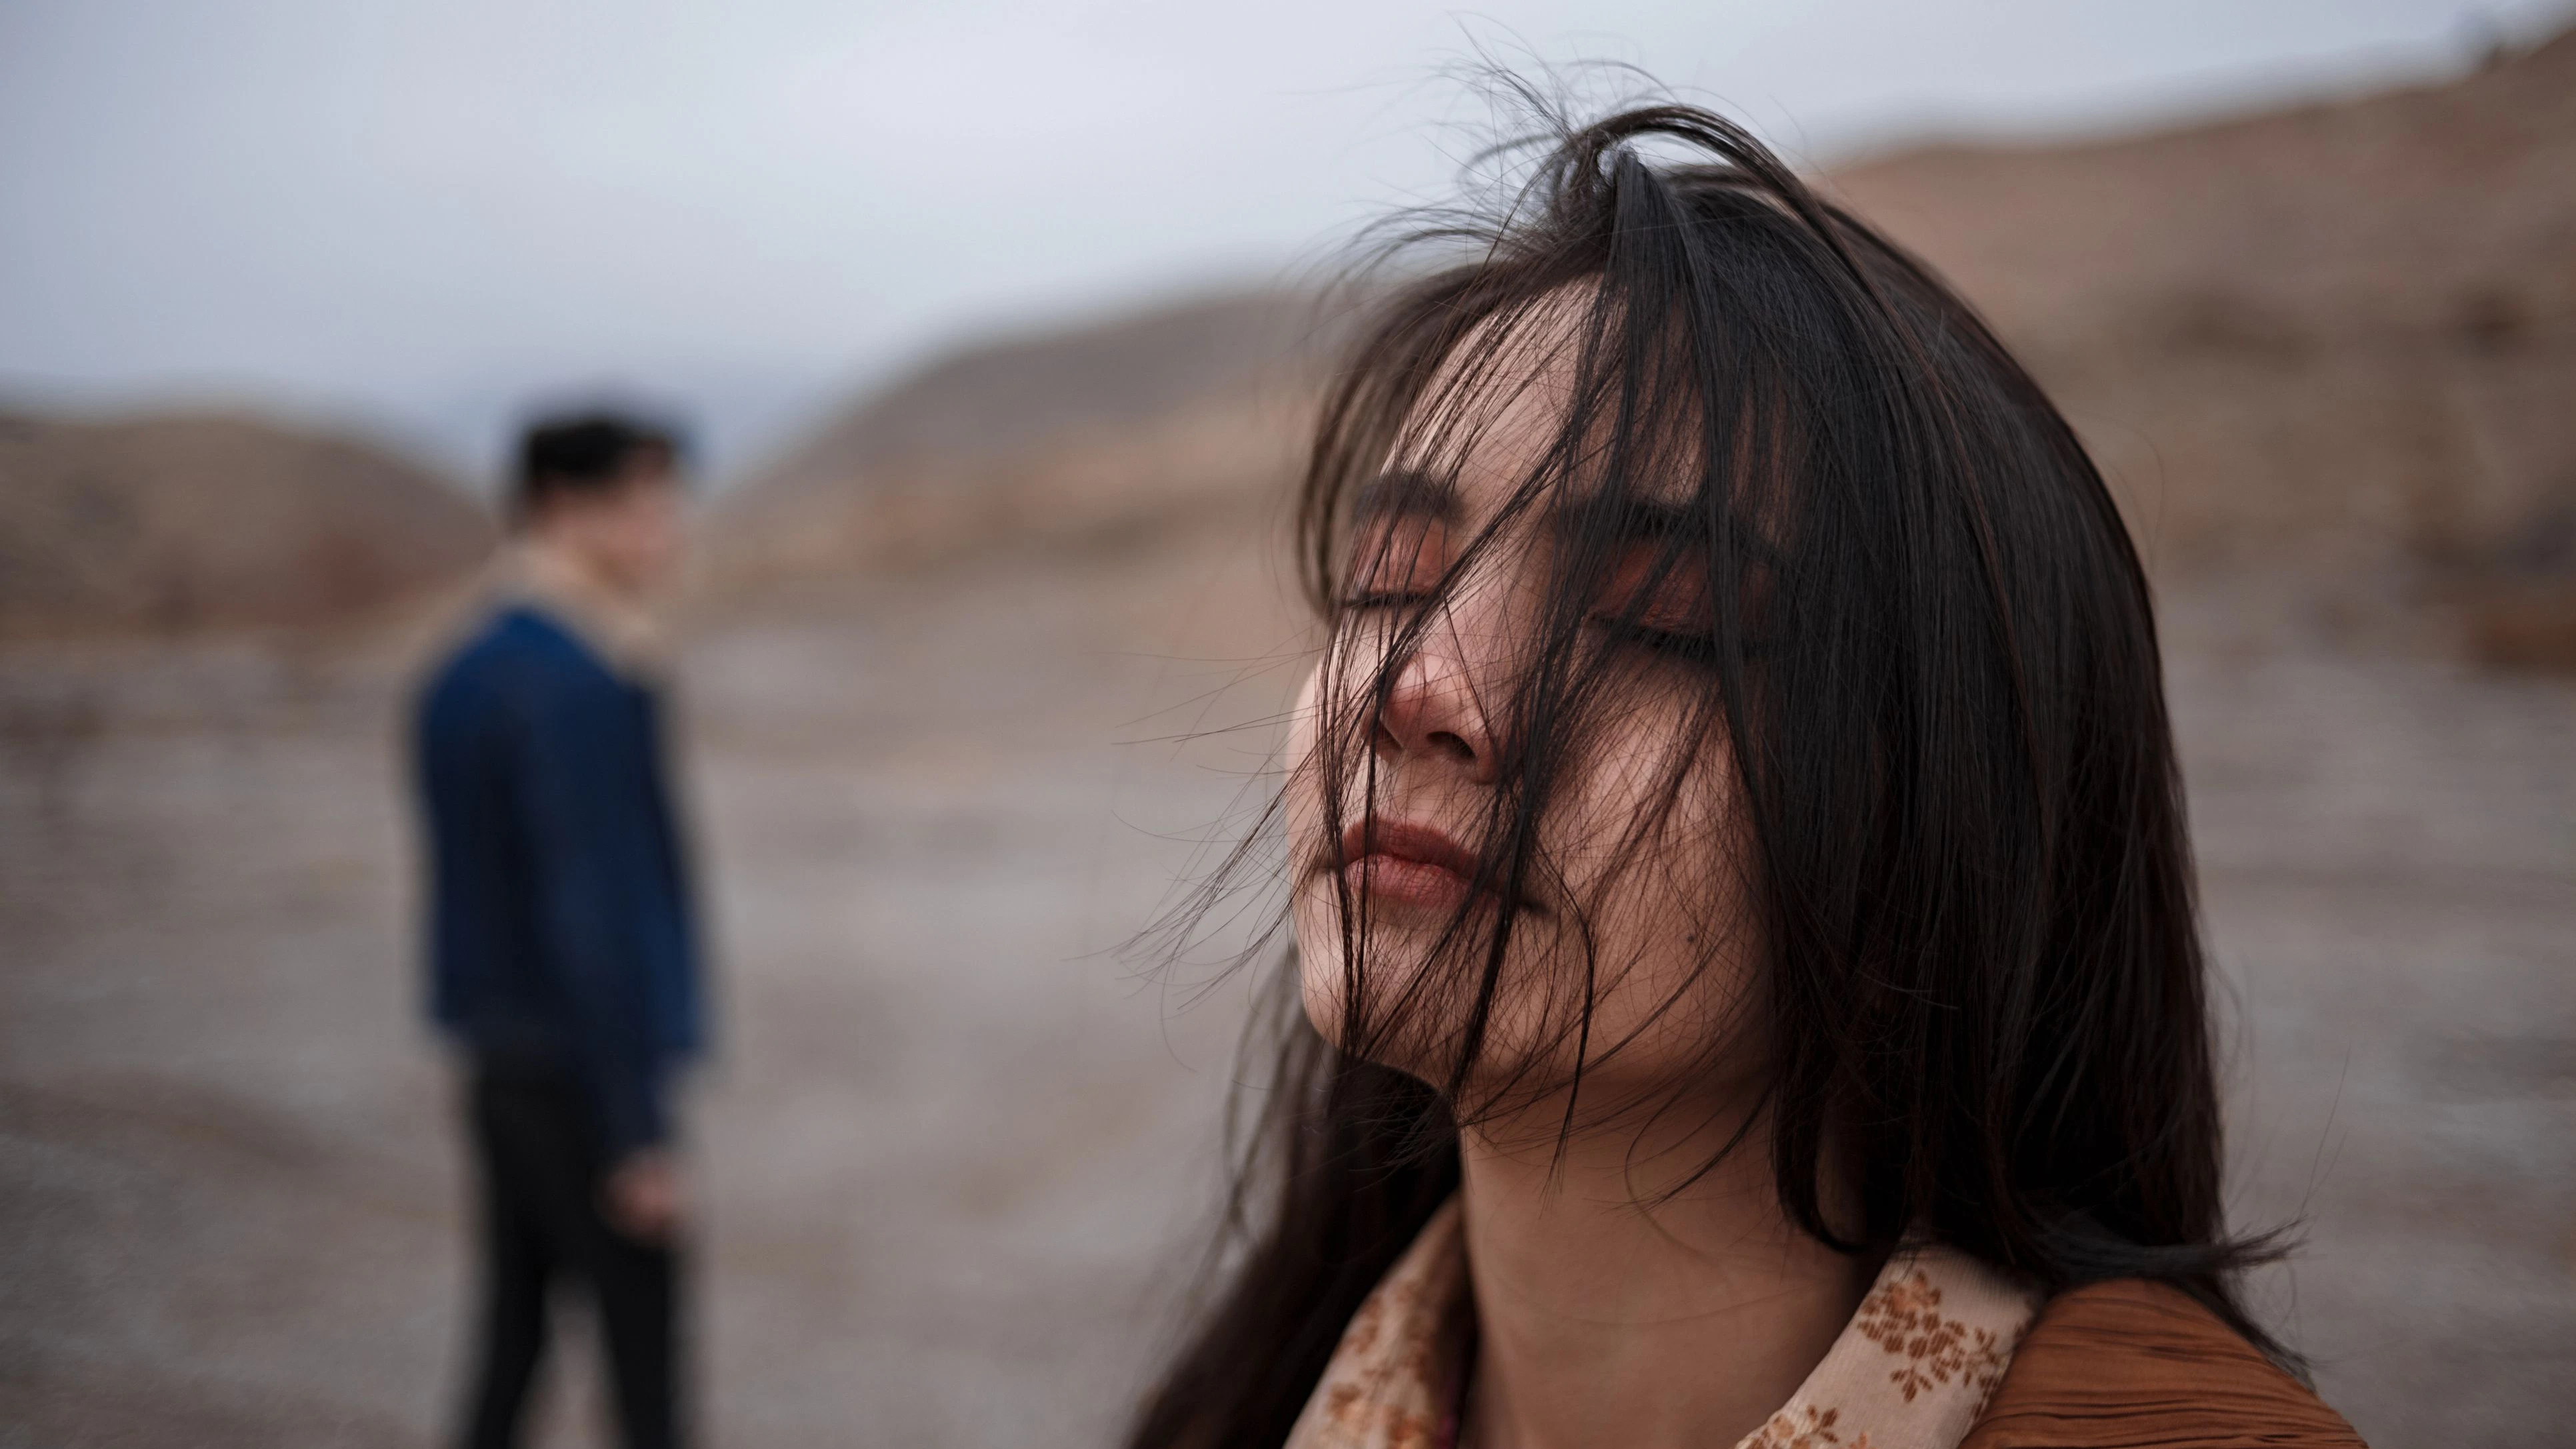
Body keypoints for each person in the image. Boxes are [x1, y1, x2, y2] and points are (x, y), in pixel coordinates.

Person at [1128, 104, 2363, 1449]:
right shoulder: (1246, 1412)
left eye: (1663, 612)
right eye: (1390, 580)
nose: (1416, 690)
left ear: (1942, 804)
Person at [415, 412, 703, 1449]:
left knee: (514, 1337)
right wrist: (635, 1130)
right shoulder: (578, 680)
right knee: (647, 1378)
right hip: (581, 1070)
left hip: (500, 1060)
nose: (666, 529)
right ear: (561, 507)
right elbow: (594, 904)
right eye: (640, 504)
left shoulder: (464, 664)